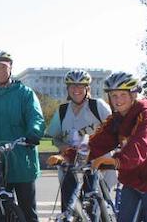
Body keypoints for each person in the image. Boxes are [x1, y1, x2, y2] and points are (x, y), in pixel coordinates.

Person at [88, 72, 147, 221]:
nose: (117, 100)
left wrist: (117, 161)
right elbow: (98, 143)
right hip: (131, 178)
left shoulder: (145, 115)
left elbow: (141, 145)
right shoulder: (118, 118)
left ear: (133, 95)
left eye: (122, 95)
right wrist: (71, 155)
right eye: (114, 96)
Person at [0, 50, 45, 222]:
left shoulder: (25, 93)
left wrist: (33, 134)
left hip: (22, 160)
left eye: (3, 67)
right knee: (0, 211)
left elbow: (36, 117)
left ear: (10, 68)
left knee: (28, 211)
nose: (0, 72)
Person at [45, 69, 115, 213]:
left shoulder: (97, 106)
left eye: (80, 86)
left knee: (92, 204)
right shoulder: (63, 110)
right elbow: (55, 137)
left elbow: (115, 128)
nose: (76, 89)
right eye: (72, 86)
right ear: (67, 89)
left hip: (97, 160)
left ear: (87, 88)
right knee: (69, 205)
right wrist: (62, 145)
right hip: (70, 161)